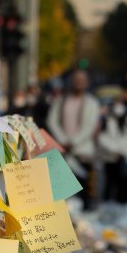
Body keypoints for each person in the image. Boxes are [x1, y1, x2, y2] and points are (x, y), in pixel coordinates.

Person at [46, 69, 101, 209]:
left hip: (83, 153)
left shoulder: (92, 103)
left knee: (85, 193)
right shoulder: (61, 100)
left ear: (87, 83)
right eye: (76, 79)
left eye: (82, 80)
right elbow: (52, 121)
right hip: (62, 151)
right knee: (63, 194)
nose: (79, 83)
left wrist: (73, 142)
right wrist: (63, 141)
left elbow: (88, 127)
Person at [98, 98, 127, 203]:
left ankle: (123, 202)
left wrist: (123, 151)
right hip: (109, 157)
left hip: (124, 156)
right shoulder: (106, 120)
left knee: (124, 180)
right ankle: (107, 202)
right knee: (109, 181)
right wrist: (115, 150)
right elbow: (102, 138)